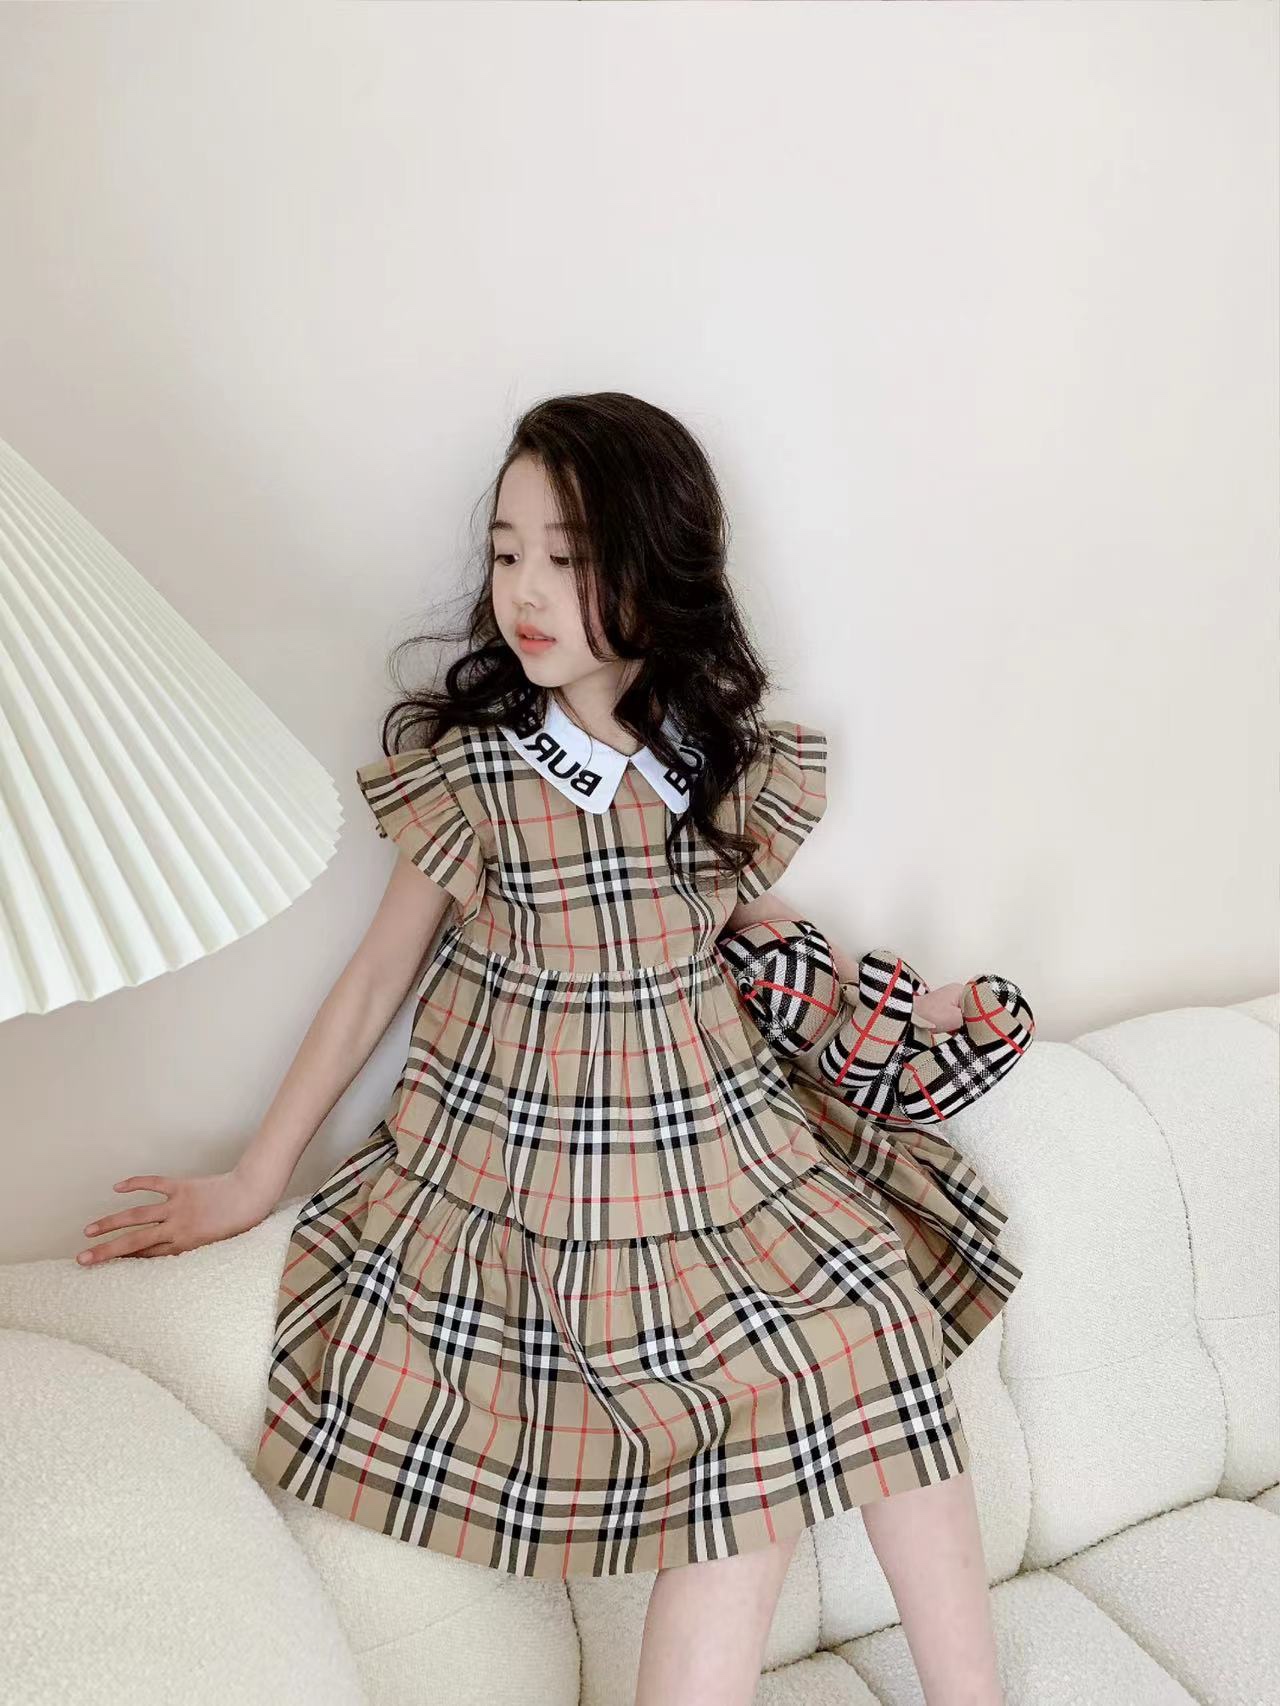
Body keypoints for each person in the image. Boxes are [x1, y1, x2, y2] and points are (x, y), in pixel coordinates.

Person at [76, 392, 1020, 1706]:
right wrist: (252, 1176)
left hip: (728, 1153)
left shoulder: (707, 761)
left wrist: (909, 1009)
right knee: (738, 1470)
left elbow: (758, 929)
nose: (525, 590)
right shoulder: (482, 779)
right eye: (508, 550)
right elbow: (373, 983)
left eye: (566, 558)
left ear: (656, 566)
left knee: (881, 1332)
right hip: (551, 1181)